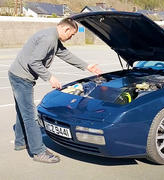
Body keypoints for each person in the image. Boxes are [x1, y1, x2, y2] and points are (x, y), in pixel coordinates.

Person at [8, 18, 101, 163]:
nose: (71, 38)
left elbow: (65, 54)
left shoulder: (53, 37)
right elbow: (33, 61)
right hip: (21, 78)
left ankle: (20, 142)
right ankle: (38, 152)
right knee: (30, 115)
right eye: (72, 35)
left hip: (18, 75)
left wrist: (87, 66)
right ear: (66, 29)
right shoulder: (49, 39)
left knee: (23, 110)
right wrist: (50, 77)